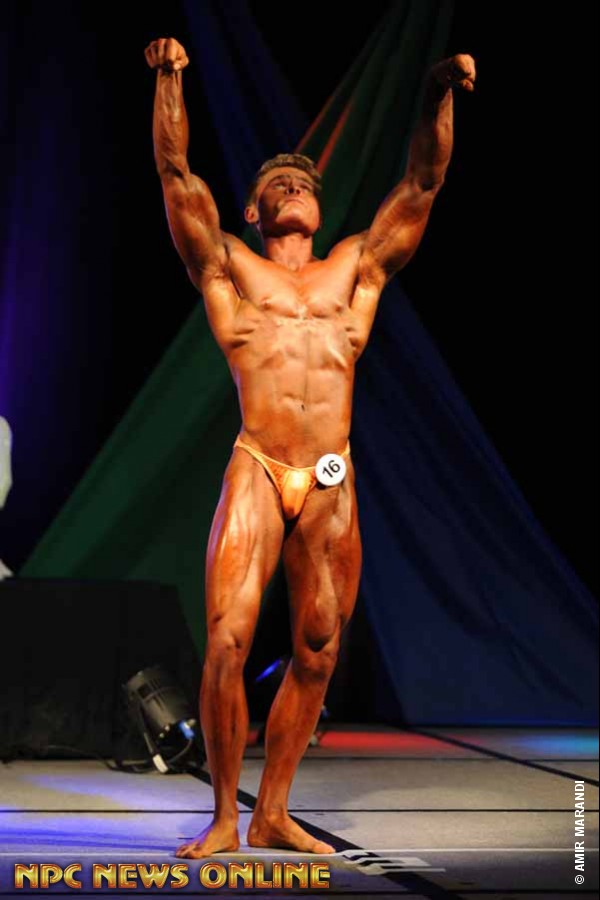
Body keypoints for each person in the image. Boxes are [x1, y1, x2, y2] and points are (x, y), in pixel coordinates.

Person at [144, 36, 475, 858]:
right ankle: (225, 817)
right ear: (254, 211)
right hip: (259, 464)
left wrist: (438, 91)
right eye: (277, 182)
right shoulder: (229, 266)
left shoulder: (356, 267)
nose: (295, 184)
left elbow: (423, 183)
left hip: (331, 473)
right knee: (228, 638)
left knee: (319, 651)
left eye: (306, 182)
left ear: (321, 212)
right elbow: (177, 176)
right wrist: (170, 77)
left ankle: (273, 812)